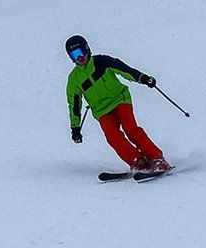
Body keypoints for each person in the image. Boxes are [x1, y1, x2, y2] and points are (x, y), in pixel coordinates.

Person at [65, 35, 169, 173]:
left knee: (131, 129)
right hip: (101, 110)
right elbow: (74, 105)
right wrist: (75, 127)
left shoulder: (102, 62)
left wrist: (142, 78)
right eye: (74, 55)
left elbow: (124, 70)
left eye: (81, 53)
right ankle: (137, 161)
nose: (80, 58)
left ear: (87, 49)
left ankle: (156, 158)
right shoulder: (74, 79)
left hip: (120, 100)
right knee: (113, 137)